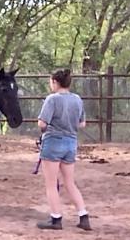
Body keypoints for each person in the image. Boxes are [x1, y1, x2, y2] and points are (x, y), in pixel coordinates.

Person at [36, 69, 91, 231]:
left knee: (51, 184)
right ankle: (83, 215)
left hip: (53, 142)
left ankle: (56, 218)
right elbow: (82, 124)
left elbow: (42, 123)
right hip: (71, 143)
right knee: (69, 182)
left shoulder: (52, 99)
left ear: (55, 82)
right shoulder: (77, 99)